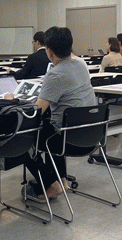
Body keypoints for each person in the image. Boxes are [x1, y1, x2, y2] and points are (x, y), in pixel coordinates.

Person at [20, 27, 96, 201]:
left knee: (23, 139)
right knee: (51, 125)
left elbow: (37, 112)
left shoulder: (55, 74)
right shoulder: (81, 65)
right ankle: (61, 180)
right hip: (91, 135)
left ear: (49, 51)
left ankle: (51, 185)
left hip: (68, 139)